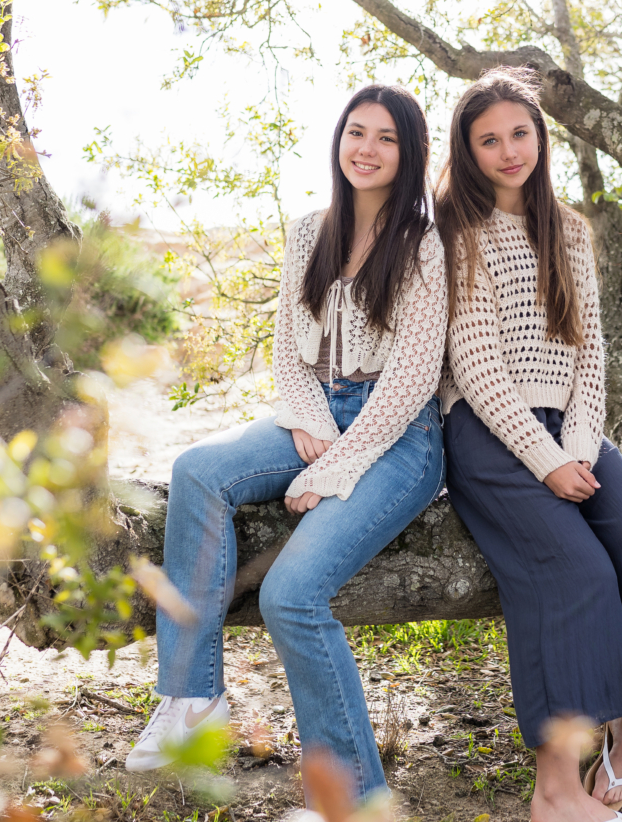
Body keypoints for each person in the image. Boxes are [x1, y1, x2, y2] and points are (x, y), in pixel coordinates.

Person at [127, 84, 448, 805]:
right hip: (317, 415)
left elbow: (412, 380)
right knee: (198, 470)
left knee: (292, 595)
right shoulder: (310, 231)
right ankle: (189, 701)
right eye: (355, 132)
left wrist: (337, 463)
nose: (365, 148)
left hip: (400, 440)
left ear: (409, 153)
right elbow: (288, 352)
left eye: (385, 138)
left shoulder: (424, 246)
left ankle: (355, 799)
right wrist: (308, 419)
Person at [435, 67, 622, 822]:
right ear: (469, 149)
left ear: (541, 136)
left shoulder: (572, 230)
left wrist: (578, 446)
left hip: (572, 429)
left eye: (521, 133)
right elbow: (474, 364)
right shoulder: (456, 231)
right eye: (489, 140)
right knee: (574, 571)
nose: (509, 151)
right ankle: (557, 793)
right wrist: (547, 463)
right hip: (487, 434)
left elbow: (590, 352)